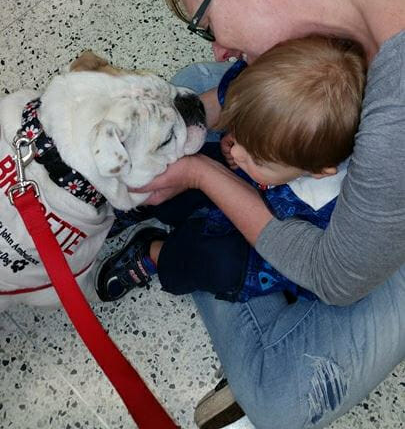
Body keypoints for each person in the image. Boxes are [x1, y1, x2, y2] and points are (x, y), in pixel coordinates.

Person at [134, 0, 405, 429]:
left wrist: (204, 173)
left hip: (382, 212)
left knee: (282, 399)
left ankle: (237, 280)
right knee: (198, 89)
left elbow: (339, 276)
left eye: (209, 24)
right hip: (366, 146)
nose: (223, 46)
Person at [96, 36, 366, 307]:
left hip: (257, 251)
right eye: (242, 138)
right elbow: (239, 111)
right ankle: (146, 204)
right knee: (179, 170)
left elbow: (300, 270)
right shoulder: (281, 147)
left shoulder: (332, 213)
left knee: (212, 262)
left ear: (318, 171)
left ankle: (154, 251)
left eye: (258, 155)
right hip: (246, 185)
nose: (237, 151)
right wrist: (237, 137)